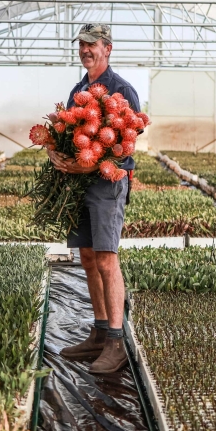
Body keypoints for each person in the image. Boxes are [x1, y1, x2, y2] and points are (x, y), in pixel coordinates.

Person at [47, 23, 141, 375]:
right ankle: (100, 332)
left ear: (107, 49)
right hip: (80, 185)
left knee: (106, 258)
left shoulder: (122, 90)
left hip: (107, 185)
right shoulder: (79, 90)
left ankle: (116, 341)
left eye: (92, 44)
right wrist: (55, 152)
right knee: (86, 257)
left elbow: (125, 146)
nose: (85, 49)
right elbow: (67, 133)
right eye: (82, 44)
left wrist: (87, 164)